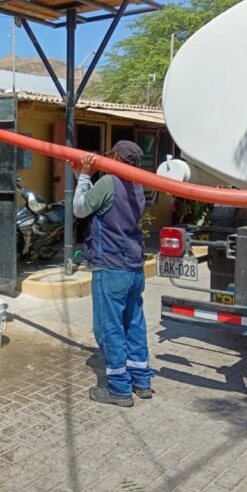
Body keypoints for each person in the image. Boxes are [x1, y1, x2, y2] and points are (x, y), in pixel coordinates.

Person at [72, 140, 153, 408]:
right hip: (133, 266)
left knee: (110, 328)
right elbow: (101, 202)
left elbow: (81, 208)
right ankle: (141, 380)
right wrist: (81, 175)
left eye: (109, 155)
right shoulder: (137, 184)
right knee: (134, 323)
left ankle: (119, 388)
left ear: (115, 157)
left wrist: (84, 176)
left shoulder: (109, 182)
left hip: (110, 266)